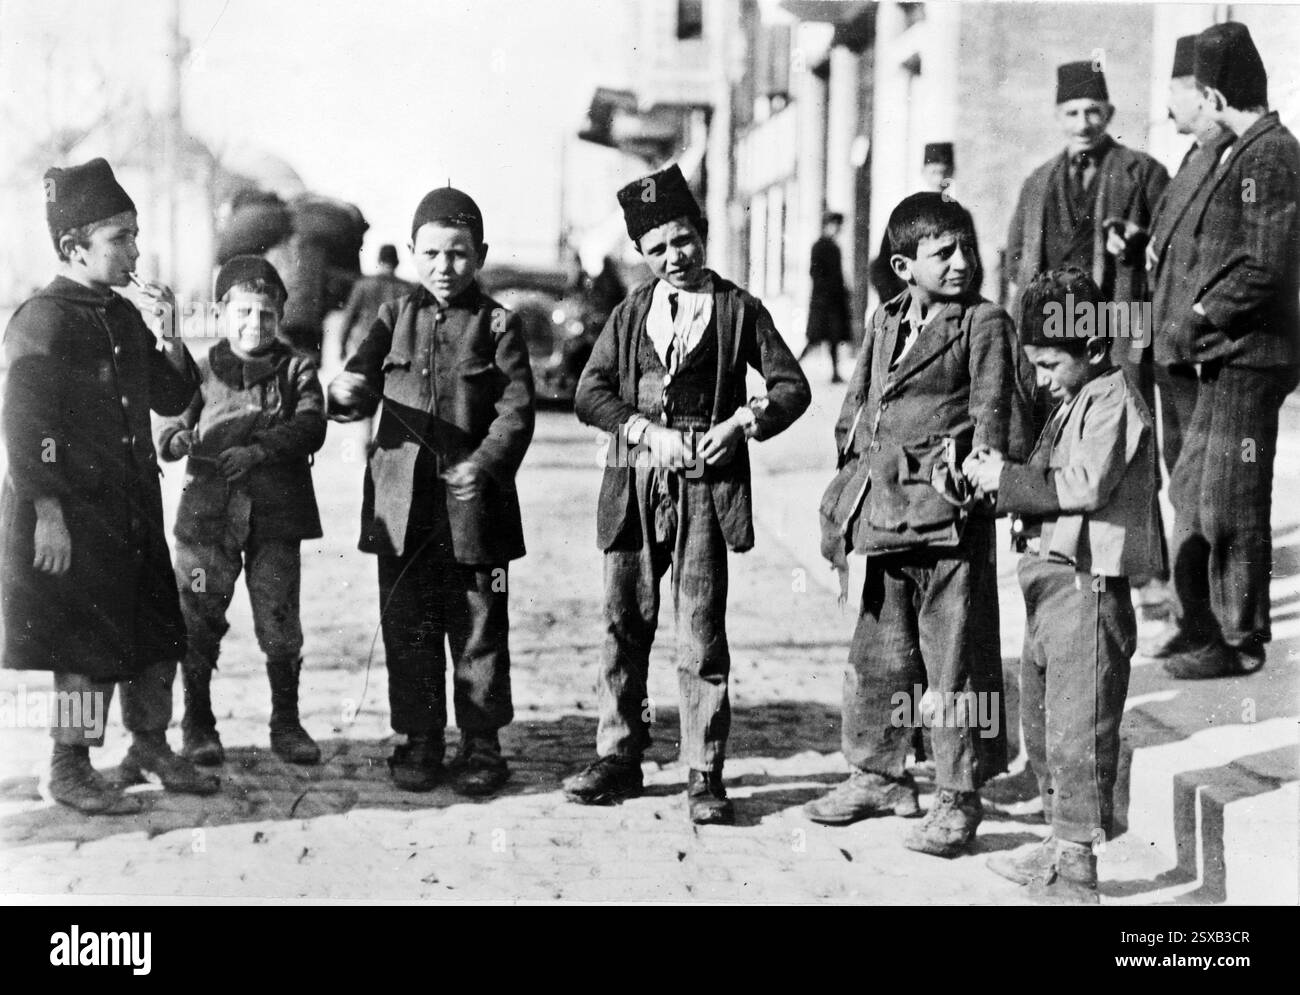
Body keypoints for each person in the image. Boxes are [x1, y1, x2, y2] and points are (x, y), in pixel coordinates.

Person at [563, 163, 810, 825]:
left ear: (703, 233)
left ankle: (705, 770)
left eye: (684, 239)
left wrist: (742, 424)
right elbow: (591, 392)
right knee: (624, 621)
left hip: (707, 480)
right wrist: (642, 431)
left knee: (700, 633)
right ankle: (619, 752)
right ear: (642, 255)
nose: (676, 256)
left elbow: (792, 387)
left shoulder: (738, 310)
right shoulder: (630, 311)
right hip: (634, 475)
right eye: (658, 247)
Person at [807, 192, 1032, 857]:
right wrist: (851, 475)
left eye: (966, 248)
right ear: (903, 266)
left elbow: (995, 412)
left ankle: (959, 797)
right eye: (944, 253)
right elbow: (858, 408)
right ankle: (878, 773)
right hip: (884, 513)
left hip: (948, 520)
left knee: (956, 662)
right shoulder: (883, 321)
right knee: (879, 653)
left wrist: (982, 481)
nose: (962, 262)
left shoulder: (984, 323)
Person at [1, 157, 216, 813]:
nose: (135, 249)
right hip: (71, 510)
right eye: (119, 237)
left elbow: (176, 392)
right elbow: (25, 424)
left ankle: (148, 743)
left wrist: (171, 330)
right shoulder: (43, 319)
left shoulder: (121, 316)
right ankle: (68, 766)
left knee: (157, 622)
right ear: (74, 247)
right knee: (82, 640)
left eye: (135, 233)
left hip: (131, 506)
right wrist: (47, 512)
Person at [327, 187, 535, 794]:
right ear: (414, 254)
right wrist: (346, 396)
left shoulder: (500, 324)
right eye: (433, 254)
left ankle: (481, 745)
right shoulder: (393, 316)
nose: (446, 267)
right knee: (410, 626)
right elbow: (360, 378)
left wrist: (487, 462)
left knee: (478, 628)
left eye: (460, 254)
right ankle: (419, 739)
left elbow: (517, 410)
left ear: (481, 254)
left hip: (474, 512)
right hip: (401, 510)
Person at [970, 267, 1163, 903]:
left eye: (1051, 364)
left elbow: (1084, 485)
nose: (1043, 379)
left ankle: (1077, 867)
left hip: (1089, 585)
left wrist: (1008, 480)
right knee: (1048, 720)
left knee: (1080, 725)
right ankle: (1058, 842)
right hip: (1051, 581)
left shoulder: (1115, 400)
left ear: (1096, 350)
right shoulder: (1074, 399)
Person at [1157, 23, 1300, 679]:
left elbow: (1265, 267)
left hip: (1249, 356)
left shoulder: (1268, 157)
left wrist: (1200, 312)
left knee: (1233, 499)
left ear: (1213, 97)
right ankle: (1208, 627)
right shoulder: (1251, 151)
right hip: (1228, 355)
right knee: (1204, 493)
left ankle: (1239, 640)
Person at [156, 256, 326, 767]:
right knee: (199, 617)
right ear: (222, 314)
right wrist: (177, 438)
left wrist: (260, 450)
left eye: (267, 315)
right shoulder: (202, 369)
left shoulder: (296, 367)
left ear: (281, 316)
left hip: (276, 517)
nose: (255, 325)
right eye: (244, 313)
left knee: (279, 618)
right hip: (208, 519)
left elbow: (312, 424)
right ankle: (199, 722)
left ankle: (286, 722)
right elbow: (167, 424)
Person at [1143, 36, 1231, 481]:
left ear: (1202, 96)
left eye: (1176, 90)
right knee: (1180, 462)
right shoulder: (1194, 155)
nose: (1168, 103)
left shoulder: (1226, 160)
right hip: (1170, 338)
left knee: (1202, 470)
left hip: (1196, 340)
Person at [870, 143, 959, 306]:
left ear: (952, 173)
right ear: (923, 173)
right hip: (909, 304)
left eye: (945, 173)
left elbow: (974, 269)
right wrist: (898, 302)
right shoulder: (906, 213)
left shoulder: (960, 215)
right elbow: (881, 267)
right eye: (934, 172)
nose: (939, 179)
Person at [337, 243, 415, 361]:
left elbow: (349, 317)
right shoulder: (405, 289)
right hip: (393, 347)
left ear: (379, 260)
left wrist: (342, 345)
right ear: (397, 262)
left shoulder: (363, 285)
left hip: (364, 343)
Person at [800, 211, 852, 383]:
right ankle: (793, 367)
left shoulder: (834, 247)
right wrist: (828, 289)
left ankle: (835, 373)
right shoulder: (819, 246)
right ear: (828, 225)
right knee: (814, 339)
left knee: (834, 338)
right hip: (823, 301)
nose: (838, 229)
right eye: (836, 225)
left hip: (834, 301)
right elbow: (815, 272)